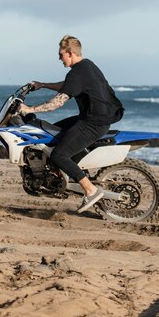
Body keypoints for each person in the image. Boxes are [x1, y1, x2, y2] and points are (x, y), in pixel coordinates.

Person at [18, 35, 124, 213]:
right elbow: (68, 85)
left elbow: (57, 103)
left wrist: (29, 109)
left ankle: (90, 190)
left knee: (59, 154)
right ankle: (65, 177)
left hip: (94, 123)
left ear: (70, 53)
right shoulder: (86, 66)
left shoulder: (78, 72)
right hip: (93, 118)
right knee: (54, 134)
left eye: (61, 55)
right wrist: (43, 85)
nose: (59, 58)